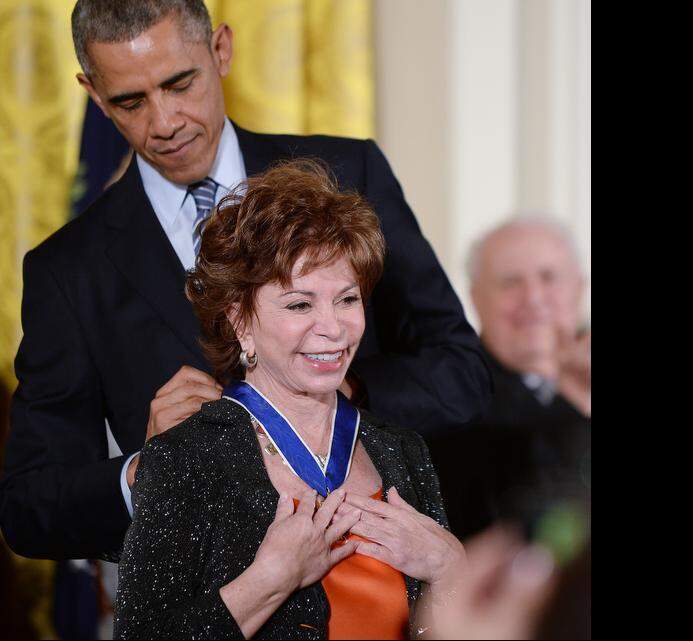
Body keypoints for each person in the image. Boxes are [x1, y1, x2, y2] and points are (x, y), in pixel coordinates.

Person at [0, 0, 490, 562]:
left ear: (221, 50)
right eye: (129, 102)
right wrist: (145, 471)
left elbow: (463, 373)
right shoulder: (68, 269)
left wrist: (333, 392)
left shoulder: (350, 176)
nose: (164, 123)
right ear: (93, 95)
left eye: (180, 83)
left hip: (374, 577)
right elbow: (28, 508)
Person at [114, 160, 464, 639]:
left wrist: (451, 568)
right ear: (240, 321)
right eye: (300, 304)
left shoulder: (402, 450)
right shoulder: (184, 458)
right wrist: (270, 581)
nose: (333, 328)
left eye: (347, 299)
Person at [427, 216, 590, 541]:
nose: (532, 297)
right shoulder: (450, 398)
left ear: (579, 288)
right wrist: (574, 408)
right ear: (474, 298)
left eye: (549, 277)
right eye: (510, 282)